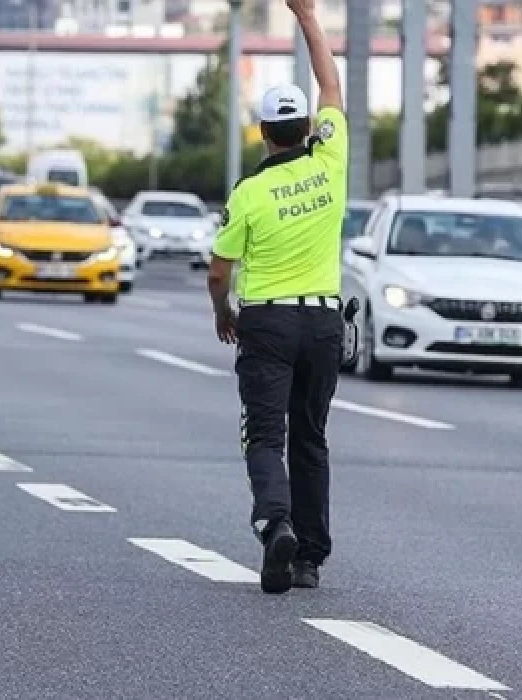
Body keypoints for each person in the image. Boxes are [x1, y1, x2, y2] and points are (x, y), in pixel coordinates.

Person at [206, 0, 348, 595]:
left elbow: (219, 270)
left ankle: (276, 524)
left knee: (266, 437)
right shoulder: (333, 159)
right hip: (322, 324)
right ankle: (310, 558)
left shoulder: (252, 192)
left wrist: (224, 314)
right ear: (308, 127)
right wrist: (308, 16)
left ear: (264, 134)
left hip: (266, 326)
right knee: (310, 437)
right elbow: (331, 82)